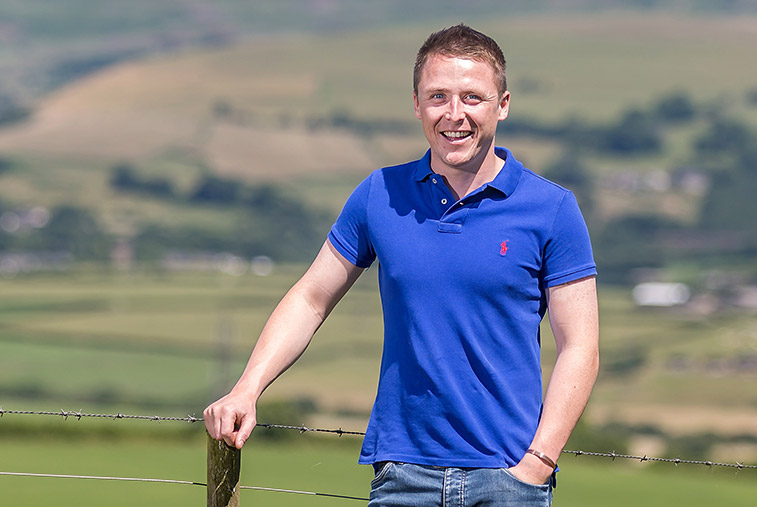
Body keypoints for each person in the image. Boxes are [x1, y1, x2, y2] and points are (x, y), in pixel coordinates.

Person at [204, 23, 599, 506]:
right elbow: (311, 298)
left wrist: (536, 466)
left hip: (508, 477)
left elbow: (580, 346)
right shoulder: (379, 194)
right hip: (403, 476)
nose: (455, 115)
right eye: (438, 97)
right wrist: (247, 388)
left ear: (503, 104)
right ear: (416, 104)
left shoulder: (552, 208)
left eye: (472, 98)